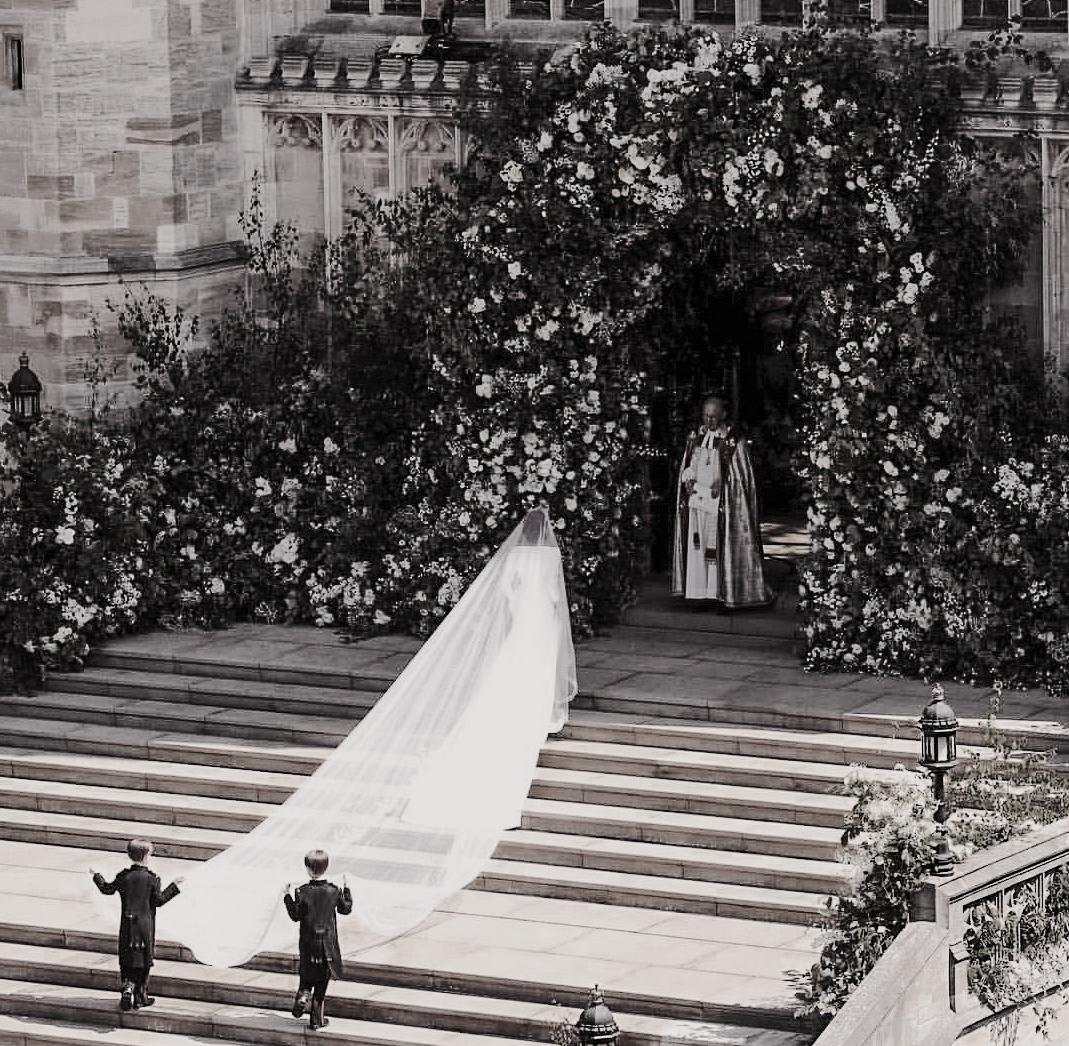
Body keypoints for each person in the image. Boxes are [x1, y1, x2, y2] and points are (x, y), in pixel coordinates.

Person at [671, 394, 773, 607]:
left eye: (714, 417)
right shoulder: (696, 437)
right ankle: (699, 594)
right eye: (705, 416)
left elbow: (739, 477)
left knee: (716, 549)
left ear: (723, 415)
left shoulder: (734, 442)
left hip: (721, 505)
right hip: (698, 501)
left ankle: (721, 594)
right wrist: (688, 479)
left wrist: (724, 484)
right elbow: (691, 463)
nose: (709, 422)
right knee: (698, 548)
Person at [90, 839, 183, 1011]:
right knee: (144, 960)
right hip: (144, 926)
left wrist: (97, 875)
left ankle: (127, 987)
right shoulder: (152, 879)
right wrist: (174, 886)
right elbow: (159, 900)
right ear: (147, 856)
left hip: (127, 924)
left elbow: (107, 889)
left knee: (127, 957)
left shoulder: (123, 876)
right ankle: (140, 996)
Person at [284, 849, 353, 1031]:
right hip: (327, 946)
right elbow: (345, 909)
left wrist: (287, 896)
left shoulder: (302, 891)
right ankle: (316, 1020)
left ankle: (302, 995)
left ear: (307, 869)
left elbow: (295, 915)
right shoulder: (333, 890)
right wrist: (346, 888)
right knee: (322, 983)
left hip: (308, 944)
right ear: (326, 867)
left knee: (306, 975)